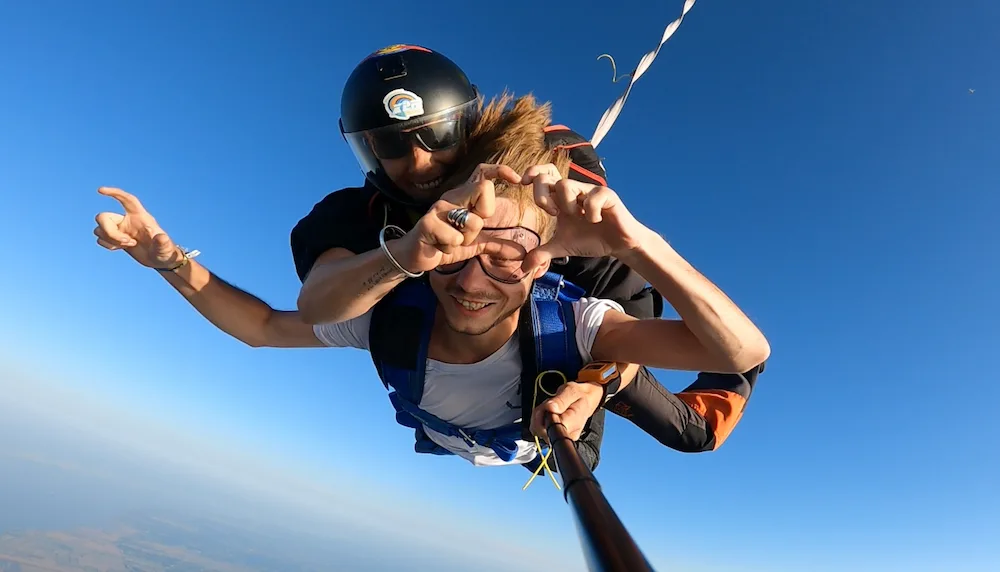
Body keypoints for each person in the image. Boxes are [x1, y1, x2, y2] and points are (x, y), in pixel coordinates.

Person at [93, 94, 770, 472]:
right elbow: (265, 328)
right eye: (456, 248)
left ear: (543, 266)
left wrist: (639, 245)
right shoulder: (397, 313)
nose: (473, 278)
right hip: (469, 427)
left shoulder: (575, 322)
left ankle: (605, 383)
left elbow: (737, 356)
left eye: (507, 256)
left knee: (685, 432)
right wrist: (170, 261)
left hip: (548, 410)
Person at [290, 43, 768, 454]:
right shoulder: (361, 214)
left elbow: (630, 329)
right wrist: (401, 254)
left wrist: (596, 383)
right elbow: (317, 304)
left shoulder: (552, 195)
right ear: (366, 150)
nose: (419, 163)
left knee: (679, 435)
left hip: (591, 335)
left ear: (466, 127)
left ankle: (716, 393)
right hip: (472, 345)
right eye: (391, 145)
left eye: (435, 135)